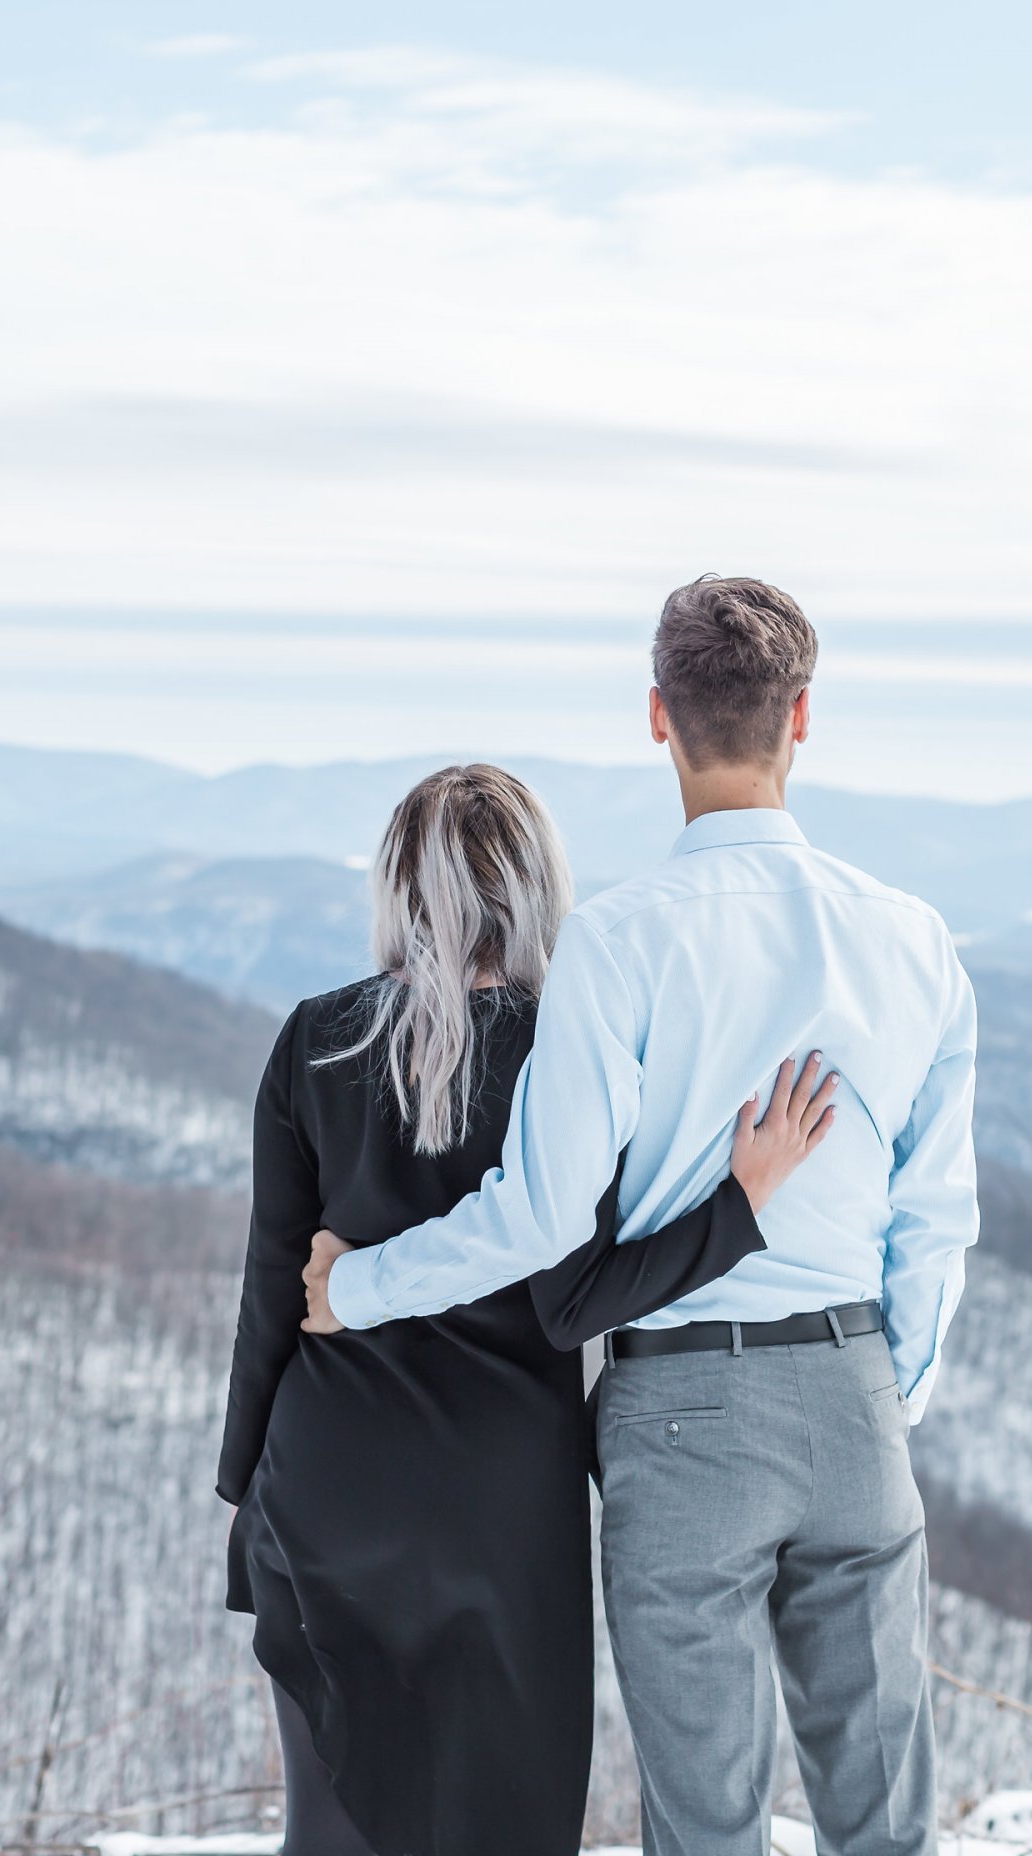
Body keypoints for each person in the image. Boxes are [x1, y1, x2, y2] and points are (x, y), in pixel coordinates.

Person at [305, 576, 979, 1856]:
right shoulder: (914, 941)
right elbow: (937, 1220)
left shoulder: (620, 943)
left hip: (682, 1412)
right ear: (803, 717)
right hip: (855, 1391)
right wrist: (884, 1393)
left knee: (708, 1825)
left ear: (659, 716)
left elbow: (539, 1218)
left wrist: (359, 1286)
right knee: (889, 1824)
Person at [217, 761, 842, 1856]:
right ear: (534, 889)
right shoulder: (568, 1046)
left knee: (334, 1827)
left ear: (398, 890)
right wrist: (738, 1207)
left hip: (327, 1485)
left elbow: (274, 1286)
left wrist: (246, 1493)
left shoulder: (313, 1039)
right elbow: (578, 1300)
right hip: (499, 1506)